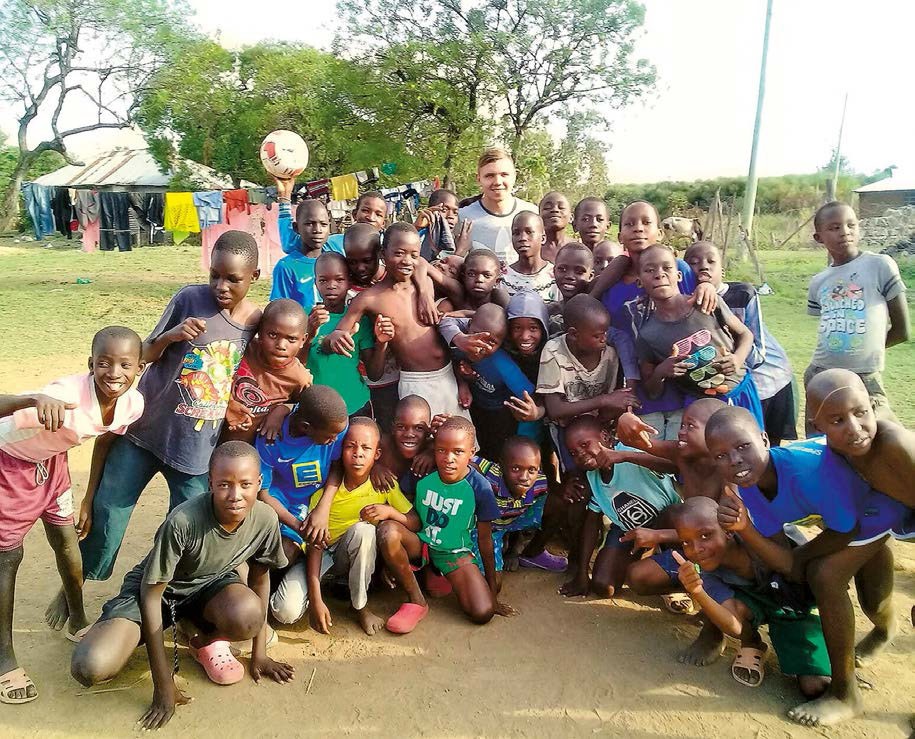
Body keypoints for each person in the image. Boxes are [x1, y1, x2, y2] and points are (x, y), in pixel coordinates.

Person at [75, 231, 261, 594]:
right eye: (214, 275)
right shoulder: (190, 298)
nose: (221, 286)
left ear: (253, 276)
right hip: (145, 431)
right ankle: (76, 587)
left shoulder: (257, 321)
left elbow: (246, 373)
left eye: (233, 279)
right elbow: (144, 353)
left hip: (195, 448)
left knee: (187, 528)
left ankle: (169, 599)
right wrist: (171, 335)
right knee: (109, 511)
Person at [71, 442, 293, 731]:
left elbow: (260, 579)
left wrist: (259, 653)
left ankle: (201, 637)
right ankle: (130, 624)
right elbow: (151, 596)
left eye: (245, 484)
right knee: (90, 667)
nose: (235, 495)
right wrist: (164, 684)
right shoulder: (183, 522)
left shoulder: (265, 519)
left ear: (259, 483)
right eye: (224, 484)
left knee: (249, 616)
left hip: (211, 585)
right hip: (157, 594)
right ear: (210, 483)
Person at [705, 406, 903, 728]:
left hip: (880, 504)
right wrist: (745, 529)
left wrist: (802, 559)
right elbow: (785, 562)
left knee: (825, 577)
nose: (735, 460)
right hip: (851, 511)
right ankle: (884, 630)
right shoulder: (751, 488)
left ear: (764, 439)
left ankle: (845, 693)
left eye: (743, 446)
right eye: (721, 456)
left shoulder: (803, 472)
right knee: (865, 592)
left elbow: (846, 530)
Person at [0, 327, 145, 704]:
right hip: (9, 464)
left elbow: (106, 436)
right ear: (90, 364)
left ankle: (77, 618)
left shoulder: (132, 404)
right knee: (8, 558)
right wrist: (31, 398)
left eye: (125, 365)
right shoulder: (64, 397)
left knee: (66, 541)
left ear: (139, 368)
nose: (114, 372)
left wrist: (88, 497)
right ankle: (4, 660)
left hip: (51, 464)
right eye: (104, 363)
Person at [671, 498, 831, 699]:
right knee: (730, 605)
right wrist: (697, 592)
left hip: (796, 605)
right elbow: (734, 627)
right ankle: (753, 643)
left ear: (728, 531)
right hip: (763, 606)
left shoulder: (762, 529)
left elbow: (807, 566)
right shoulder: (709, 576)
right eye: (686, 542)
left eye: (705, 535)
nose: (696, 549)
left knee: (815, 686)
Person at [377, 416, 516, 634]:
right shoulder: (423, 473)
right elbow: (409, 516)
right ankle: (417, 600)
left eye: (458, 452)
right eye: (441, 450)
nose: (448, 458)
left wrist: (492, 593)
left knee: (482, 612)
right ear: (434, 449)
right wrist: (389, 560)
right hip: (420, 543)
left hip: (454, 553)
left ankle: (437, 574)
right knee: (388, 531)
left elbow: (485, 540)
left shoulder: (479, 487)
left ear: (471, 453)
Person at [590, 201, 715, 440]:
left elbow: (702, 312)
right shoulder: (612, 286)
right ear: (620, 236)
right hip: (643, 389)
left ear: (659, 232)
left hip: (689, 385)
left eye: (646, 223)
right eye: (629, 224)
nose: (638, 228)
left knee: (687, 447)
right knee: (649, 450)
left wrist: (707, 285)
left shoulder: (677, 269)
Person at [325, 222, 471, 420]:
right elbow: (341, 330)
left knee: (459, 435)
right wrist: (337, 336)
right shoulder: (369, 298)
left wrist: (425, 292)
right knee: (422, 436)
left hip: (448, 375)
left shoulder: (423, 280)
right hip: (416, 382)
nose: (407, 261)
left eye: (413, 254)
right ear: (383, 254)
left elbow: (458, 292)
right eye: (399, 253)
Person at [618, 398, 732, 627]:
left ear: (714, 435)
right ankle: (689, 584)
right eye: (682, 425)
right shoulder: (683, 453)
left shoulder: (729, 474)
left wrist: (658, 535)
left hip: (724, 553)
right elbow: (635, 441)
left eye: (690, 426)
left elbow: (725, 534)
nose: (681, 432)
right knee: (638, 574)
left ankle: (714, 619)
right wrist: (625, 419)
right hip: (695, 546)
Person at [304, 418, 417, 635]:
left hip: (352, 555)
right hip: (323, 557)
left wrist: (390, 512)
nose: (358, 454)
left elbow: (414, 521)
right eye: (350, 446)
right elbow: (314, 546)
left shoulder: (383, 485)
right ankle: (325, 591)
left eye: (366, 448)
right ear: (341, 450)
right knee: (285, 611)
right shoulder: (324, 490)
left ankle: (359, 607)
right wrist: (316, 598)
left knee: (363, 531)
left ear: (377, 454)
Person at [804, 201, 910, 423]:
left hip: (864, 375)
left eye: (851, 225)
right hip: (821, 374)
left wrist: (863, 352)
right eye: (834, 227)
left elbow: (902, 331)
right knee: (824, 436)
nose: (845, 232)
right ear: (818, 238)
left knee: (885, 433)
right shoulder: (818, 281)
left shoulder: (880, 265)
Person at [636, 244, 763, 425]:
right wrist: (661, 371)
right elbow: (652, 391)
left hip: (741, 391)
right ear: (640, 281)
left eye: (667, 268)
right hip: (700, 407)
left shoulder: (707, 303)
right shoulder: (648, 335)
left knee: (750, 440)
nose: (659, 274)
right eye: (650, 270)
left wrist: (737, 359)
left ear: (679, 275)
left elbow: (745, 334)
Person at [684, 241, 796, 445]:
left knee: (765, 447)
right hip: (731, 388)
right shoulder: (684, 304)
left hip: (768, 381)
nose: (703, 266)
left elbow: (758, 352)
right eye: (693, 262)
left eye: (711, 261)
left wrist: (736, 357)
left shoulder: (742, 295)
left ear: (723, 271)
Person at [558, 416, 679, 598]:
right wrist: (582, 573)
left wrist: (626, 457)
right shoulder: (593, 477)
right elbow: (591, 523)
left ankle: (677, 578)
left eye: (584, 444)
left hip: (668, 524)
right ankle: (647, 558)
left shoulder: (629, 450)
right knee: (603, 586)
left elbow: (674, 466)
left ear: (605, 436)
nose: (580, 454)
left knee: (674, 514)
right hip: (629, 530)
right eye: (573, 453)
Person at [255, 385, 347, 622]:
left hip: (312, 503)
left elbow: (337, 467)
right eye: (330, 436)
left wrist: (323, 508)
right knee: (278, 554)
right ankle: (260, 600)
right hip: (281, 503)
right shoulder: (271, 439)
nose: (335, 440)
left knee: (289, 552)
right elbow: (264, 494)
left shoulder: (334, 426)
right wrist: (299, 526)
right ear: (306, 427)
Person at [537, 295, 637, 471]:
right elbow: (555, 410)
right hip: (567, 429)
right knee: (574, 471)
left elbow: (615, 402)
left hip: (599, 426)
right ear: (574, 334)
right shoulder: (554, 351)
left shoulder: (610, 354)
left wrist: (614, 407)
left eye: (605, 333)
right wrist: (604, 400)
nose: (604, 338)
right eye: (597, 335)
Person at [440, 304, 539, 458]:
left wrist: (527, 435)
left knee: (495, 452)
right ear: (468, 326)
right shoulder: (461, 339)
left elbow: (530, 398)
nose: (480, 345)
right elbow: (444, 322)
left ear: (501, 344)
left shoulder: (502, 365)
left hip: (500, 412)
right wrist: (463, 380)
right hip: (474, 407)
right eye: (476, 334)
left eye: (491, 342)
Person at [305, 253, 393, 417]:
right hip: (316, 407)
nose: (331, 286)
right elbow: (294, 363)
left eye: (339, 280)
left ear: (349, 282)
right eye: (323, 280)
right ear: (315, 283)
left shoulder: (359, 320)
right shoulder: (305, 317)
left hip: (355, 405)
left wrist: (381, 344)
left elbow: (374, 375)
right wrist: (310, 332)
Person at [470, 436, 567, 575]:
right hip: (487, 530)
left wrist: (565, 489)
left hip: (513, 520)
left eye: (532, 470)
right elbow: (466, 459)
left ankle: (530, 552)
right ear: (501, 465)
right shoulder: (489, 473)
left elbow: (554, 494)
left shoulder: (539, 482)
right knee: (493, 580)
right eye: (516, 469)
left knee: (560, 502)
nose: (524, 477)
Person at [221, 299, 312, 445]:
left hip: (254, 450)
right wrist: (227, 404)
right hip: (213, 438)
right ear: (260, 333)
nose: (281, 345)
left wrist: (283, 409)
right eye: (273, 335)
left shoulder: (300, 378)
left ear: (303, 340)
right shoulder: (242, 350)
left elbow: (304, 407)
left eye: (291, 339)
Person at [456, 147, 537, 264]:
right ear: (478, 179)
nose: (498, 182)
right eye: (490, 176)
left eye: (504, 174)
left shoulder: (533, 214)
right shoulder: (463, 218)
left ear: (514, 176)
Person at [275, 176, 386, 255]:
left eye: (378, 214)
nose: (371, 217)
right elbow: (290, 245)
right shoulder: (334, 243)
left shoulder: (389, 248)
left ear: (383, 223)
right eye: (366, 210)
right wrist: (284, 197)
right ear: (355, 214)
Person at [269, 199, 330, 311]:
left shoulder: (335, 261)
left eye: (324, 224)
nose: (318, 230)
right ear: (296, 228)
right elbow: (279, 310)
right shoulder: (286, 267)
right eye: (310, 224)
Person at [501, 212, 558, 301]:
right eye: (516, 233)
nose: (522, 238)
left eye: (529, 232)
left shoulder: (556, 277)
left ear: (543, 238)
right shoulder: (502, 278)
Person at [539, 191, 571, 262]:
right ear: (539, 216)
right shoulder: (533, 249)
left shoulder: (579, 247)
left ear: (571, 217)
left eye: (561, 207)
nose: (555, 210)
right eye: (547, 208)